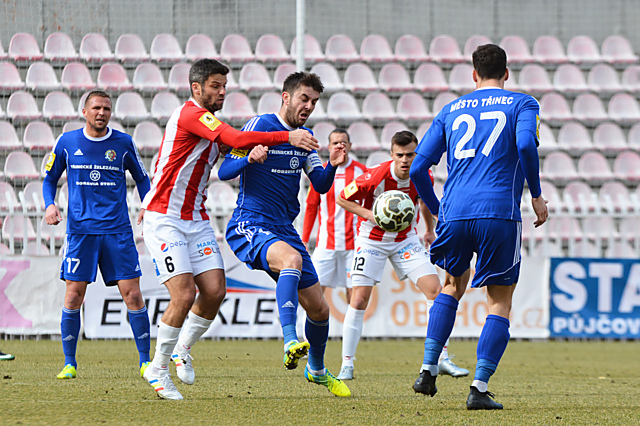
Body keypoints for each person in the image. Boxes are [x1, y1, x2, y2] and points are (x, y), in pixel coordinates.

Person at [139, 59, 319, 400]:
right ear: (197, 88)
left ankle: (182, 350)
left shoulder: (210, 126)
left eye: (225, 86)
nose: (223, 91)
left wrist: (253, 155)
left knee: (215, 290)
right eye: (215, 86)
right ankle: (158, 368)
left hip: (195, 218)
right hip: (165, 218)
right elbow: (235, 137)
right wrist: (286, 136)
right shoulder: (191, 114)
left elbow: (231, 153)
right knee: (183, 294)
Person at [409, 44, 548, 410]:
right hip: (498, 212)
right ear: (506, 73)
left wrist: (439, 210)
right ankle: (479, 387)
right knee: (499, 300)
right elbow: (525, 146)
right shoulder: (523, 103)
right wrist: (536, 194)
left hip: (455, 213)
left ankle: (427, 370)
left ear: (473, 74)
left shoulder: (451, 109)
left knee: (452, 286)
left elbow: (416, 169)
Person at [220, 72, 351, 397]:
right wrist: (249, 157)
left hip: (283, 228)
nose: (309, 106)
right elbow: (223, 172)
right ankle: (290, 339)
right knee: (291, 259)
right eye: (304, 99)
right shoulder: (258, 126)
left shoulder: (305, 137)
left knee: (320, 311)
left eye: (314, 102)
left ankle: (317, 370)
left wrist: (333, 165)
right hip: (250, 222)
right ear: (286, 97)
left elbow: (319, 184)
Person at [335, 130, 468, 381]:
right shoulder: (375, 175)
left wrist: (429, 230)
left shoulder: (422, 174)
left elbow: (424, 202)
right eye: (400, 155)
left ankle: (443, 358)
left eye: (410, 154)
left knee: (436, 291)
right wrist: (370, 215)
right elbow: (342, 198)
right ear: (391, 154)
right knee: (359, 299)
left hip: (405, 240)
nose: (405, 160)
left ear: (416, 153)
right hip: (372, 240)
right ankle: (347, 364)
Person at [43, 90, 152, 381]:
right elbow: (50, 179)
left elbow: (142, 179)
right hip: (80, 233)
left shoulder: (123, 143)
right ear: (84, 111)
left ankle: (145, 361)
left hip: (118, 232)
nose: (101, 112)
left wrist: (147, 206)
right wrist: (50, 205)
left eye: (106, 108)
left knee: (133, 295)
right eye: (96, 108)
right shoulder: (67, 142)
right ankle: (69, 363)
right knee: (73, 296)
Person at [301, 128, 366, 303]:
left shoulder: (362, 172)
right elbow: (312, 207)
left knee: (355, 297)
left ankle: (351, 331)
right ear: (329, 146)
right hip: (326, 243)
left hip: (354, 244)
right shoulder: (320, 172)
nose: (340, 145)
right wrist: (305, 240)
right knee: (314, 294)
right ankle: (310, 330)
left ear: (350, 145)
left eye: (343, 142)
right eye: (335, 142)